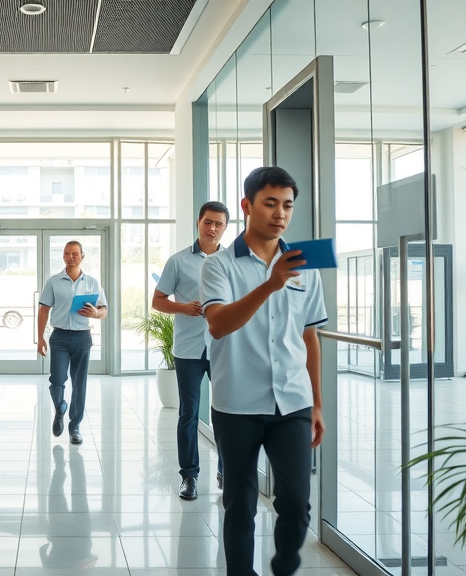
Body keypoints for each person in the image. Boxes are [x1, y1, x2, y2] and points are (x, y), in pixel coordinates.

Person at [200, 166, 327, 576]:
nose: (280, 214)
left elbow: (309, 336)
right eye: (270, 203)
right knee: (240, 503)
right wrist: (270, 284)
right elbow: (218, 325)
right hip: (237, 403)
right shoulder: (219, 266)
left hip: (292, 401)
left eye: (287, 205)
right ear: (247, 205)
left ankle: (283, 569)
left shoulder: (305, 265)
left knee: (296, 503)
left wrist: (317, 404)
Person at [152, 201, 229, 500]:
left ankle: (225, 471)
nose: (212, 228)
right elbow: (158, 301)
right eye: (208, 222)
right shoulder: (178, 261)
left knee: (226, 414)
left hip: (223, 347)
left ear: (225, 228)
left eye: (218, 224)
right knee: (188, 414)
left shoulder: (232, 262)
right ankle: (189, 476)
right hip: (188, 350)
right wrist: (183, 307)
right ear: (198, 222)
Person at [37, 241, 107, 446]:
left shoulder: (92, 282)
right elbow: (43, 310)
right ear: (63, 256)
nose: (71, 257)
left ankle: (74, 427)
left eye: (75, 254)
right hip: (59, 337)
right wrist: (40, 338)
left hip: (82, 337)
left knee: (79, 383)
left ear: (82, 256)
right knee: (57, 380)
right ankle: (60, 407)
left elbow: (104, 309)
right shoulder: (53, 282)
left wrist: (96, 313)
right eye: (67, 254)